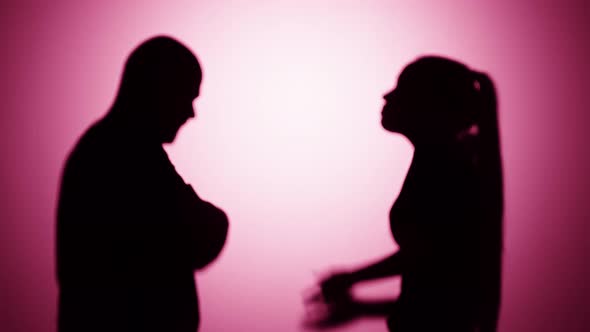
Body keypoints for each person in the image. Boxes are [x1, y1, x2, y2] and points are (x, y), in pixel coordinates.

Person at [305, 56, 503, 332]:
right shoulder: (437, 161)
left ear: (430, 103)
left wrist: (353, 278)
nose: (387, 95)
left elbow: (430, 256)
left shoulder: (446, 166)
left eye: (402, 88)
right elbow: (432, 284)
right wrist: (357, 300)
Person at [56, 36, 229, 332]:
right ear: (160, 89)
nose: (191, 113)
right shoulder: (121, 153)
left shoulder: (118, 149)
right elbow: (202, 235)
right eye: (187, 96)